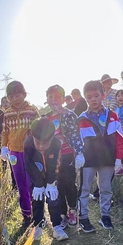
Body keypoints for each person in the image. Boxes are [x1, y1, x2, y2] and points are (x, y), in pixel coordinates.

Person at [77, 80, 123, 233]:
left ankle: (105, 216)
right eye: (89, 97)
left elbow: (120, 138)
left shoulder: (113, 116)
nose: (93, 99)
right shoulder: (81, 118)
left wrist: (119, 158)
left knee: (106, 189)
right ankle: (83, 218)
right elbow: (76, 141)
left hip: (107, 159)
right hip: (88, 160)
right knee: (84, 189)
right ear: (86, 99)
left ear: (103, 95)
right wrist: (78, 155)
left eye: (96, 95)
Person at [0, 81, 41, 227]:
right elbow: (5, 132)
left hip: (30, 151)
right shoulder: (7, 113)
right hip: (14, 152)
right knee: (20, 184)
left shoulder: (31, 110)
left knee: (32, 184)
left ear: (24, 94)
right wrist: (3, 147)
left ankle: (38, 214)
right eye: (11, 96)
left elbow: (39, 129)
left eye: (17, 95)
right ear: (8, 98)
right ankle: (26, 215)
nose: (15, 98)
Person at [44, 85, 84, 225]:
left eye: (57, 97)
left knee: (69, 184)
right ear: (47, 99)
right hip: (52, 157)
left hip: (67, 154)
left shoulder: (69, 114)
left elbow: (75, 135)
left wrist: (79, 152)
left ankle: (73, 211)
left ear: (63, 98)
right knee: (58, 184)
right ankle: (62, 214)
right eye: (51, 97)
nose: (54, 100)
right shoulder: (46, 118)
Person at [25, 117, 69, 241]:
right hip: (36, 177)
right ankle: (38, 225)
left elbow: (56, 164)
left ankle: (56, 227)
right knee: (37, 199)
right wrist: (38, 184)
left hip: (52, 176)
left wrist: (52, 182)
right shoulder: (28, 144)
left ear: (51, 138)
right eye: (37, 142)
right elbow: (29, 165)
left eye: (45, 143)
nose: (41, 146)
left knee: (54, 199)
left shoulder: (57, 143)